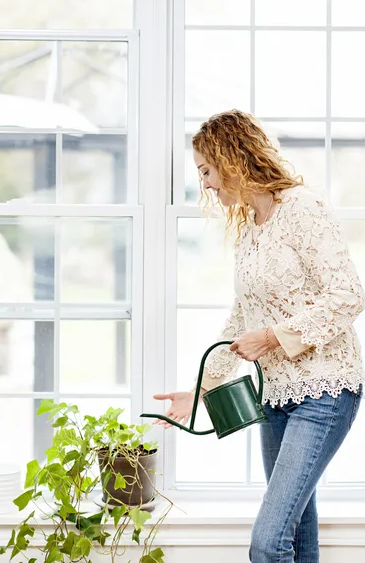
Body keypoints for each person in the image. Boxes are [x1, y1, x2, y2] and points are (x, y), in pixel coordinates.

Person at [152, 110, 365, 563]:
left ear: (233, 159)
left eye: (206, 170)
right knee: (297, 539)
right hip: (274, 397)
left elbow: (348, 295)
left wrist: (271, 337)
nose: (205, 184)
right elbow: (239, 319)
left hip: (326, 390)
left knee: (267, 545)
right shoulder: (250, 227)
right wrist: (202, 390)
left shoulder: (303, 208)